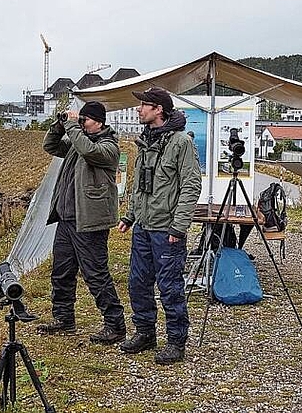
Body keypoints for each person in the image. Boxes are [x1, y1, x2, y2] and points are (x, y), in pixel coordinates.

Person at [117, 87, 202, 365]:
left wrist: (179, 226)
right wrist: (130, 216)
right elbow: (140, 187)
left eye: (144, 105)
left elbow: (191, 185)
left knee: (170, 286)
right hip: (143, 226)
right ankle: (145, 333)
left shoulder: (181, 143)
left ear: (159, 110)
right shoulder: (145, 142)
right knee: (137, 283)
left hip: (167, 230)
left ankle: (176, 342)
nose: (139, 109)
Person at [37, 101, 127, 345]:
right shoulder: (78, 142)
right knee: (62, 272)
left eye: (84, 120)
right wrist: (59, 125)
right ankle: (63, 318)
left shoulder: (108, 147)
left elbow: (89, 151)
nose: (81, 124)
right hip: (66, 219)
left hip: (90, 222)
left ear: (98, 121)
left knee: (95, 274)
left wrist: (72, 126)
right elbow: (51, 145)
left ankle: (115, 324)